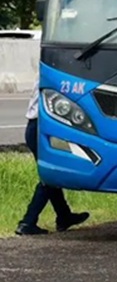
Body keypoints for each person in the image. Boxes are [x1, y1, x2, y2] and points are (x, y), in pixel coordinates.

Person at [14, 81, 91, 236]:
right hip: (41, 127)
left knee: (53, 173)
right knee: (48, 177)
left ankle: (64, 216)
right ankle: (27, 222)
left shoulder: (46, 76)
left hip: (35, 127)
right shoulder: (54, 78)